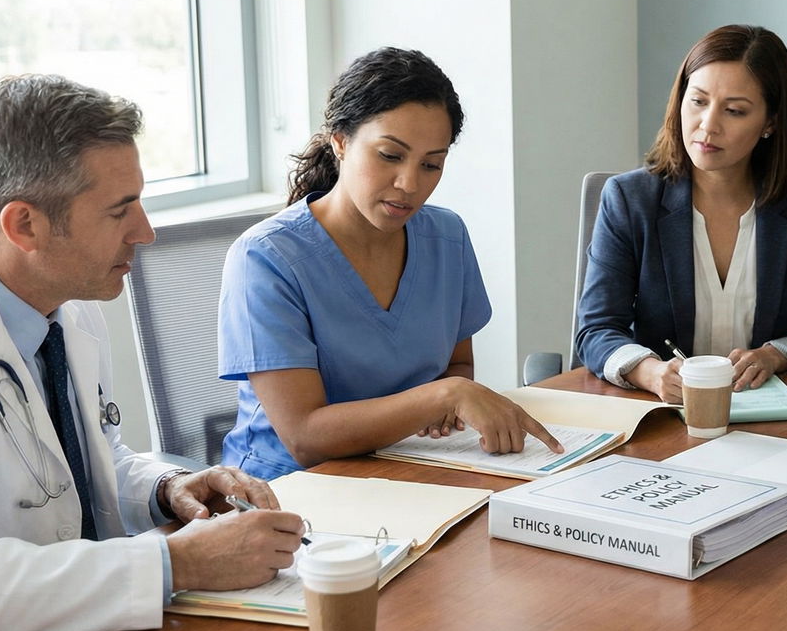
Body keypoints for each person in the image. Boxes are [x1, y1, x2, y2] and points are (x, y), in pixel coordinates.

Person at [0, 75, 304, 631]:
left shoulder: (66, 304)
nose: (145, 232)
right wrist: (174, 563)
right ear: (24, 225)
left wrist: (165, 489)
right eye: (119, 211)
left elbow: (79, 464)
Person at [218, 47, 562, 481]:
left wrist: (447, 397)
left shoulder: (446, 238)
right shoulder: (266, 258)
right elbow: (305, 438)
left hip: (407, 471)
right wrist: (445, 397)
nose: (409, 185)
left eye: (431, 164)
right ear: (340, 141)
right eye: (390, 155)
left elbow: (454, 368)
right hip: (290, 494)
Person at [575, 24, 787, 402]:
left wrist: (775, 356)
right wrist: (651, 373)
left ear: (770, 122)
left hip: (769, 415)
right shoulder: (629, 199)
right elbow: (596, 330)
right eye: (698, 101)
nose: (708, 125)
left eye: (734, 111)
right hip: (664, 412)